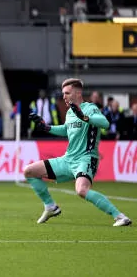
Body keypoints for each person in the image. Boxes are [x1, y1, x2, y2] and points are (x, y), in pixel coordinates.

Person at [26, 78, 132, 227]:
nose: (64, 97)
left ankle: (120, 217)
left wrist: (84, 116)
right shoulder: (70, 112)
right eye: (63, 93)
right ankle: (51, 207)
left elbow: (105, 123)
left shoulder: (90, 108)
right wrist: (47, 127)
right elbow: (66, 130)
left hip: (86, 158)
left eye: (67, 93)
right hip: (68, 159)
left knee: (82, 190)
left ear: (78, 92)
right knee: (29, 171)